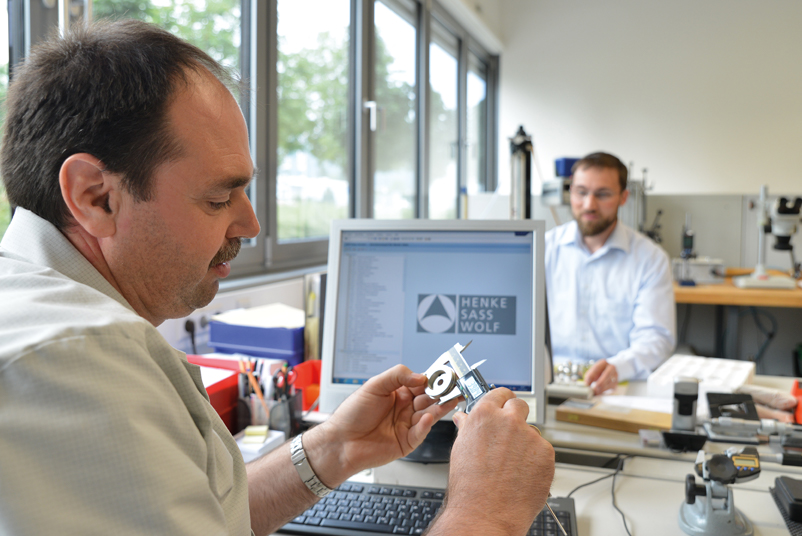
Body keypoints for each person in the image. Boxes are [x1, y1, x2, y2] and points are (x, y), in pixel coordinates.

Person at [0, 20, 555, 536]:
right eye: (219, 198)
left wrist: (336, 448)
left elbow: (206, 515)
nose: (252, 223)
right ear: (96, 196)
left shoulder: (51, 311)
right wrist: (488, 508)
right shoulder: (75, 361)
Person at [546, 152, 676, 395]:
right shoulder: (544, 250)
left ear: (623, 197)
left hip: (617, 386)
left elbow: (656, 338)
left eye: (603, 194)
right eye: (581, 192)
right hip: (549, 384)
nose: (589, 205)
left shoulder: (650, 259)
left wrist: (618, 367)